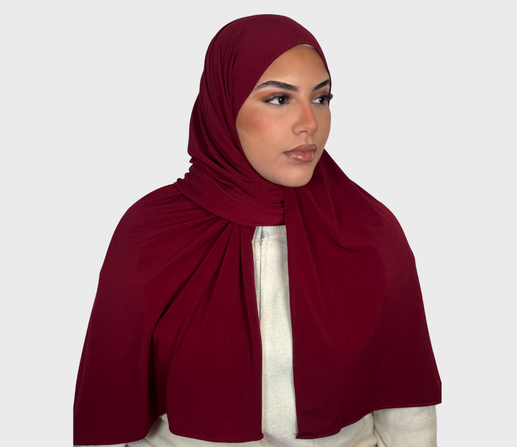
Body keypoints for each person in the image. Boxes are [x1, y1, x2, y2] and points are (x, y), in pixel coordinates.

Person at [74, 14, 441, 447]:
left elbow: (406, 401)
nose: (309, 123)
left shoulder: (369, 233)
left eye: (321, 98)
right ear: (224, 104)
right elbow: (110, 403)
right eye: (279, 99)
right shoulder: (151, 234)